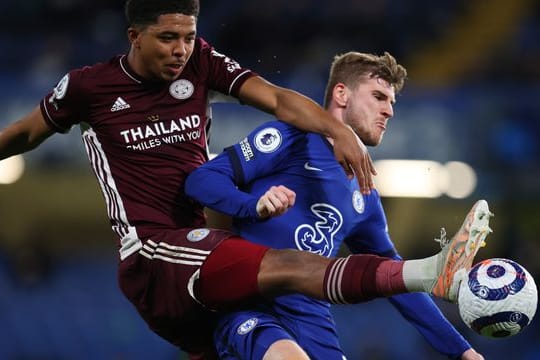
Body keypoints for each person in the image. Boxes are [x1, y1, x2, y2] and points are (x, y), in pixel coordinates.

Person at [0, 1, 491, 358]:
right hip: (153, 249)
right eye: (168, 38)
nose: (182, 50)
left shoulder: (201, 63)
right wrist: (259, 199)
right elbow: (26, 132)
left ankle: (429, 275)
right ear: (134, 35)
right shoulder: (89, 86)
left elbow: (277, 96)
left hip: (220, 268)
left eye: (190, 37)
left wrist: (464, 354)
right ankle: (431, 270)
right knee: (290, 264)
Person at [186, 52, 489, 359]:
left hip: (313, 322)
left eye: (392, 103)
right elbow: (200, 181)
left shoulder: (366, 193)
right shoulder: (290, 139)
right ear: (341, 94)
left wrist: (462, 351)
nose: (389, 111)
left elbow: (395, 282)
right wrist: (253, 204)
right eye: (379, 97)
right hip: (251, 305)